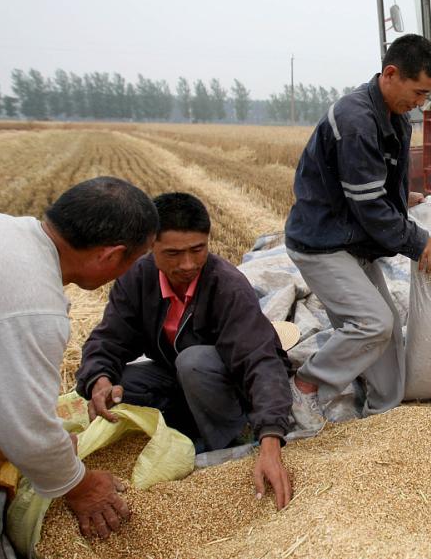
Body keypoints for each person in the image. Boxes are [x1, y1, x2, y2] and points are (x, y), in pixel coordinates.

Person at [74, 192, 294, 509]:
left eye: (197, 250)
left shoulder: (226, 286)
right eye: (173, 254)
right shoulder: (137, 279)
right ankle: (189, 430)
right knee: (119, 380)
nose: (188, 264)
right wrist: (98, 380)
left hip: (226, 385)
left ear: (208, 241)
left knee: (193, 361)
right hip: (176, 377)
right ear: (151, 246)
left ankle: (230, 439)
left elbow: (261, 361)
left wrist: (271, 442)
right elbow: (108, 339)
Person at [0, 176, 158, 539]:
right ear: (111, 255)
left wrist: (43, 443)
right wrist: (81, 487)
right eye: (133, 261)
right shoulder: (32, 307)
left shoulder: (6, 231)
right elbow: (25, 430)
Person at [284, 33, 431, 433]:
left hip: (352, 237)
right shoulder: (357, 119)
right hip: (323, 242)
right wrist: (419, 241)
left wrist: (400, 196)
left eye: (428, 95)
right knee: (371, 323)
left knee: (388, 331)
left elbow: (373, 185)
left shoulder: (394, 113)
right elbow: (370, 206)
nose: (421, 103)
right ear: (391, 74)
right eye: (419, 92)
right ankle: (306, 384)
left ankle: (384, 419)